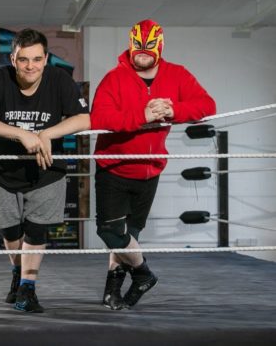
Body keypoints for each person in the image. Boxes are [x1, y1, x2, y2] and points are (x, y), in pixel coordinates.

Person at [90, 19, 216, 310]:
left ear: (159, 45)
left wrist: (174, 110)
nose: (142, 52)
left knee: (130, 235)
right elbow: (101, 118)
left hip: (150, 169)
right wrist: (143, 115)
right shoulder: (114, 78)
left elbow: (207, 105)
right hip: (114, 166)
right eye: (138, 47)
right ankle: (143, 274)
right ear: (131, 44)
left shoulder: (177, 74)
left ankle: (112, 292)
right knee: (110, 232)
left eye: (148, 47)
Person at [0, 29, 90, 313]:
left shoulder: (59, 79)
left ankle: (28, 287)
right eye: (23, 59)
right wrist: (20, 134)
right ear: (12, 58)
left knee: (37, 229)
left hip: (46, 167)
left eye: (37, 59)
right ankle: (18, 274)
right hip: (5, 168)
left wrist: (46, 134)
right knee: (10, 230)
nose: (30, 66)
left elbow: (83, 118)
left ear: (46, 58)